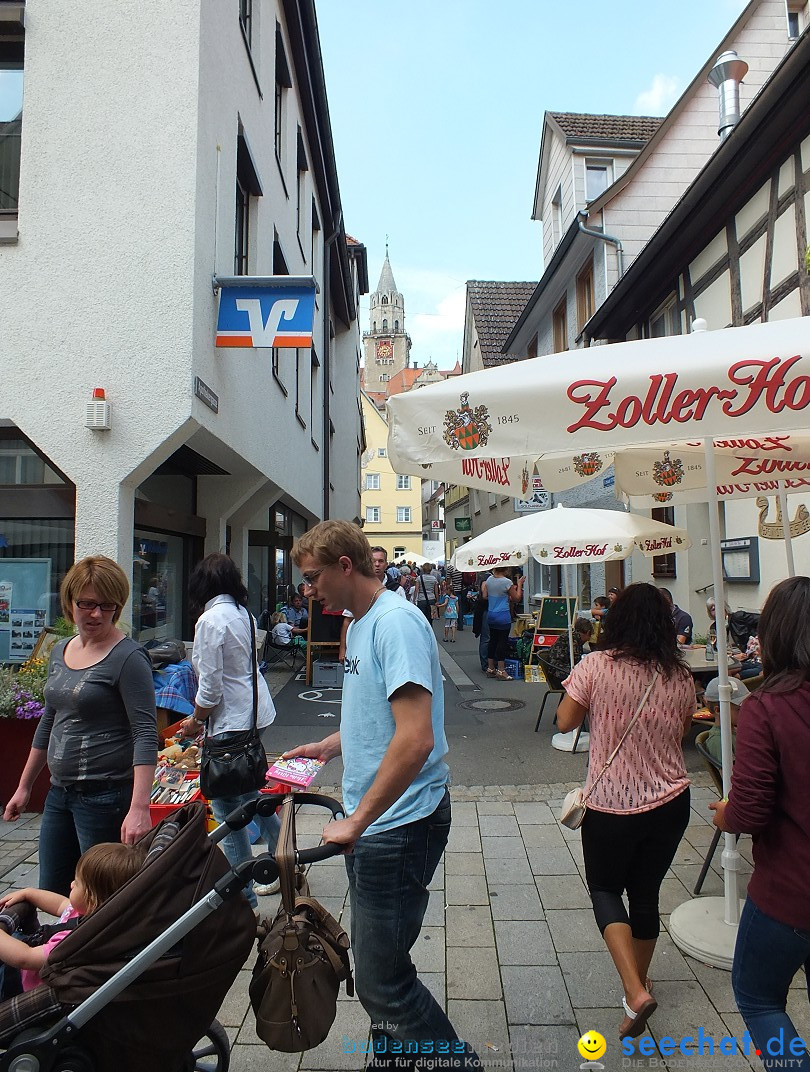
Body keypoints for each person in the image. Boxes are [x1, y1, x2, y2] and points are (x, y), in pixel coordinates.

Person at [283, 520, 479, 1070]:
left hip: (397, 822)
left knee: (378, 981)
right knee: (384, 962)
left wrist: (358, 820)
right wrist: (333, 743)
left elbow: (415, 738)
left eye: (313, 576)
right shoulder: (361, 620)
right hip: (381, 821)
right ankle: (391, 1061)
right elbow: (383, 713)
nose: (308, 589)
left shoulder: (394, 621)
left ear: (345, 566)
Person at [556, 583, 695, 1041]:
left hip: (612, 804)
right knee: (647, 892)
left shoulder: (595, 666)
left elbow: (565, 723)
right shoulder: (681, 675)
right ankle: (642, 983)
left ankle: (634, 991)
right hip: (672, 801)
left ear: (616, 621)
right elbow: (682, 729)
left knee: (605, 889)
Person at [3, 556, 158, 896]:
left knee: (99, 898)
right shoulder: (61, 650)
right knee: (53, 891)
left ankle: (101, 951)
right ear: (70, 602)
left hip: (106, 797)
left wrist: (139, 808)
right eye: (86, 604)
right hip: (59, 793)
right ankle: (56, 949)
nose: (96, 614)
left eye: (107, 605)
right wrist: (25, 786)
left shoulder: (128, 658)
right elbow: (50, 719)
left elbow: (145, 733)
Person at [710, 576, 810, 1071]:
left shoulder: (768, 708)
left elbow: (748, 810)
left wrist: (725, 812)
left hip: (790, 893)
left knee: (759, 998)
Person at [179, 553, 279, 908]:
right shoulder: (242, 614)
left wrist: (195, 719)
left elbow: (210, 689)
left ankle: (244, 893)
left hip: (231, 723)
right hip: (256, 712)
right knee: (251, 794)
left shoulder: (210, 620)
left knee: (227, 812)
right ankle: (284, 857)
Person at [0, 842, 144, 998]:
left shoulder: (77, 939)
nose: (71, 884)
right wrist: (29, 893)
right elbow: (60, 904)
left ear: (92, 898)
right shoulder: (86, 912)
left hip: (22, 984)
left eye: (78, 882)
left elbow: (24, 958)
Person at [482, 567, 523, 680]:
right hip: (502, 615)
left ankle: (490, 668)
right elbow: (517, 598)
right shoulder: (507, 582)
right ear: (505, 570)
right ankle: (501, 670)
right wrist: (519, 584)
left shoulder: (489, 579)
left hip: (491, 614)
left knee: (493, 640)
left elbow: (485, 596)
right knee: (502, 642)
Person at [701, 675, 744, 767]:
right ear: (719, 710)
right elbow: (728, 777)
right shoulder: (719, 741)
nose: (745, 712)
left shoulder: (735, 731)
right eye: (739, 709)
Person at [544, 617, 592, 689]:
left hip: (554, 673)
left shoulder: (569, 635)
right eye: (589, 636)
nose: (588, 639)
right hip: (559, 675)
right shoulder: (573, 640)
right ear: (588, 632)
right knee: (587, 681)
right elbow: (577, 663)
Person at [445, 563, 465, 631]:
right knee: (460, 607)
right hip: (463, 589)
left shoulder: (451, 567)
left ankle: (452, 623)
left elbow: (448, 579)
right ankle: (460, 624)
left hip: (454, 590)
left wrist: (447, 589)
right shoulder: (462, 566)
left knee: (452, 606)